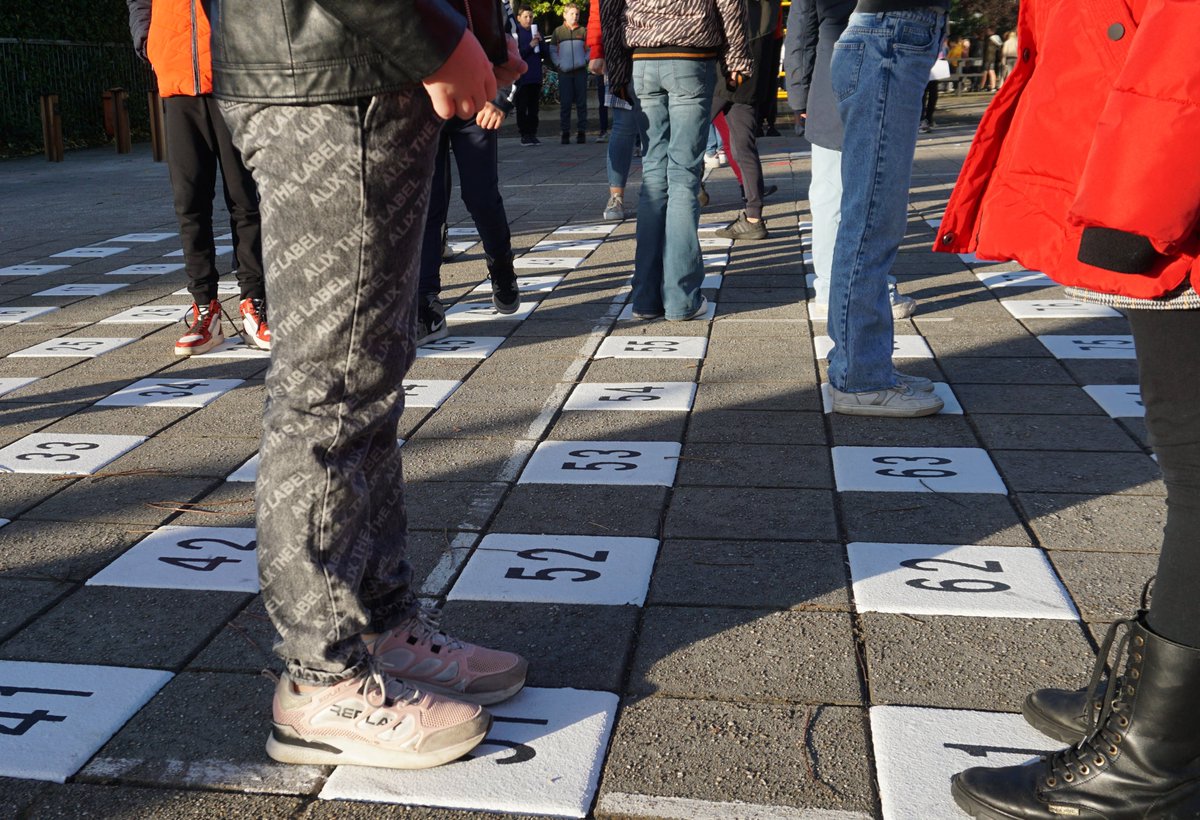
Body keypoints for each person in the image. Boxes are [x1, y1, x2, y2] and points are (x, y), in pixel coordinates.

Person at [210, 0, 530, 770]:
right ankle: (319, 681)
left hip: (362, 68)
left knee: (370, 379)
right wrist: (435, 34)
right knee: (333, 388)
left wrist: (476, 33)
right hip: (328, 71)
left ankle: (379, 622)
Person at [936, 1, 1200, 815]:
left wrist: (1137, 199)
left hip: (1170, 157)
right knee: (1185, 451)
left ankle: (1159, 756)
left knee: (1196, 461)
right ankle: (1167, 706)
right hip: (1151, 134)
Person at [821, 0, 947, 417]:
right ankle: (860, 379)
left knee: (873, 216)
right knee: (872, 218)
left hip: (889, 37)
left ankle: (860, 365)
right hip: (888, 40)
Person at [125, 0, 270, 356]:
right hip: (177, 80)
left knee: (245, 198)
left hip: (233, 79)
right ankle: (205, 309)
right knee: (189, 203)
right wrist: (147, 40)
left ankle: (255, 303)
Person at [603, 0, 752, 321]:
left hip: (642, 58)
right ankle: (681, 299)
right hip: (690, 55)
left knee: (654, 177)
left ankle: (645, 298)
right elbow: (730, 4)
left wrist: (615, 70)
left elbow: (610, 9)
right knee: (684, 175)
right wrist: (737, 59)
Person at [417, 93, 522, 346]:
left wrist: (501, 99)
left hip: (475, 103)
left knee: (480, 197)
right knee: (426, 205)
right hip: (421, 107)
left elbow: (513, 53)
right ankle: (426, 304)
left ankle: (501, 266)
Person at [711, 0, 782, 241]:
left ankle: (675, 209)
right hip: (754, 60)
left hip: (726, 61)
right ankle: (753, 217)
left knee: (684, 134)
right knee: (743, 144)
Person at [586, 0, 649, 221]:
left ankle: (657, 192)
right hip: (620, 50)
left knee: (658, 125)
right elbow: (598, 8)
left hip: (659, 44)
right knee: (623, 126)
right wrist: (597, 49)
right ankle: (616, 197)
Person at [552, 3, 590, 143]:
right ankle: (565, 132)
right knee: (565, 104)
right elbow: (552, 50)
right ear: (565, 15)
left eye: (577, 14)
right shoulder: (558, 31)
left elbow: (589, 49)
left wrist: (584, 61)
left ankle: (581, 132)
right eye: (572, 14)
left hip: (580, 71)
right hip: (565, 72)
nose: (575, 16)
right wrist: (559, 63)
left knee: (581, 103)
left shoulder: (583, 31)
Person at [514, 5, 545, 145]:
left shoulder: (536, 32)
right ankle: (524, 134)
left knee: (534, 108)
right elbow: (517, 55)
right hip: (522, 78)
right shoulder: (516, 34)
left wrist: (541, 41)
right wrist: (530, 46)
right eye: (525, 17)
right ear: (518, 18)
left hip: (535, 76)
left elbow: (544, 54)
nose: (528, 19)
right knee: (522, 107)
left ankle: (533, 133)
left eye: (531, 17)